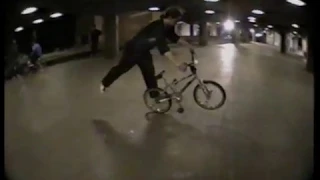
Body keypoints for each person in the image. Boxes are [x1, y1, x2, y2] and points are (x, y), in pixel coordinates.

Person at [100, 6, 194, 98]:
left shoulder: (167, 27)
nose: (176, 22)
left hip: (144, 51)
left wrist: (189, 46)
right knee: (121, 69)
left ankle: (155, 95)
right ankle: (104, 83)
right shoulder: (158, 29)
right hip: (132, 50)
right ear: (169, 17)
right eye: (176, 20)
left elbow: (175, 38)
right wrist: (178, 64)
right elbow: (164, 50)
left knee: (149, 72)